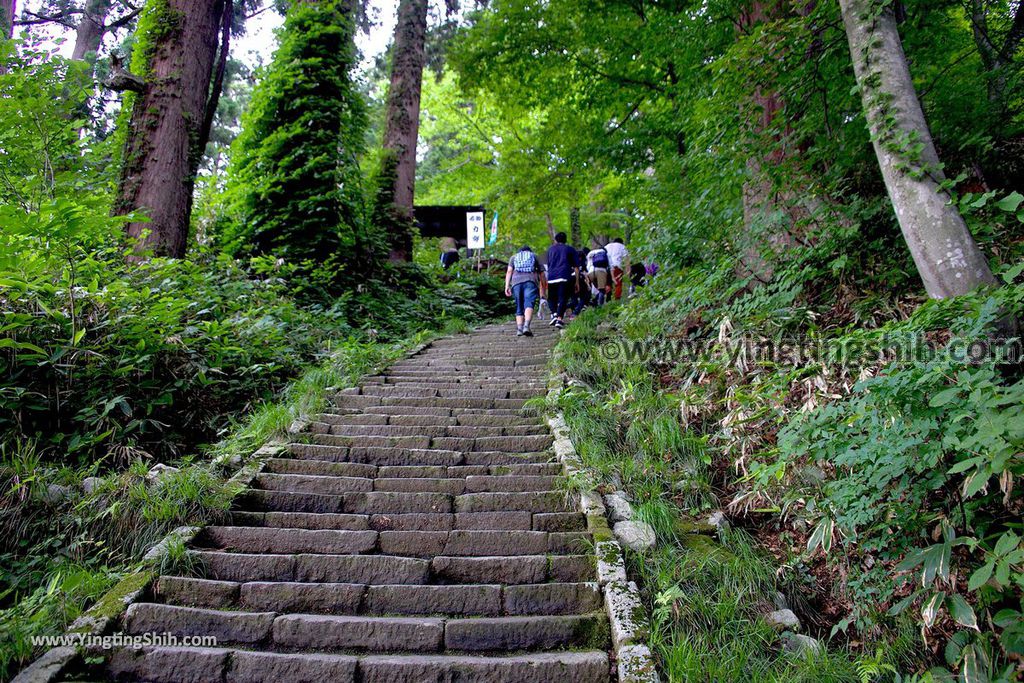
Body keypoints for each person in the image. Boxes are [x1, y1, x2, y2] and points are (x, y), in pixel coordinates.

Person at [504, 245, 546, 337]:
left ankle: (519, 329)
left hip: (516, 283)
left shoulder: (513, 257)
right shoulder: (534, 256)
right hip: (530, 281)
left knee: (519, 305)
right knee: (529, 303)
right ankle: (526, 326)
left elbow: (509, 271)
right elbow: (542, 274)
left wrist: (507, 286)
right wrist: (543, 287)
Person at [544, 232, 577, 329]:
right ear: (565, 240)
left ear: (555, 239)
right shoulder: (570, 249)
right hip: (564, 276)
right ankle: (559, 319)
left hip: (552, 276)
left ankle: (554, 314)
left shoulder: (550, 250)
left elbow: (547, 265)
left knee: (551, 298)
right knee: (563, 298)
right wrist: (577, 282)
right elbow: (576, 267)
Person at [571, 246, 591, 315]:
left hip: (571, 280)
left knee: (574, 296)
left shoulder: (571, 262)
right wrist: (588, 284)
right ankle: (576, 311)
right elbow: (585, 274)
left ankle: (573, 310)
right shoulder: (582, 263)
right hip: (580, 279)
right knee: (584, 296)